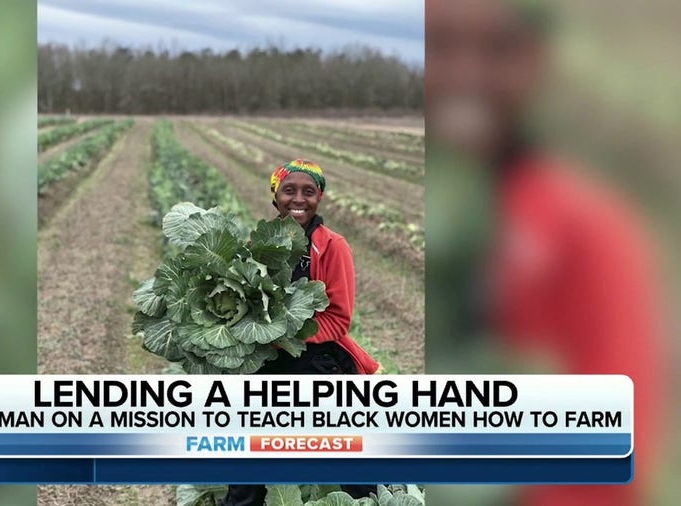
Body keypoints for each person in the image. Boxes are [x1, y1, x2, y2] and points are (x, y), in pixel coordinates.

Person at [426, 1, 667, 504]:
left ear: (535, 62)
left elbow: (612, 454)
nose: (465, 74)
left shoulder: (589, 231)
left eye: (497, 49)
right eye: (439, 46)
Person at [221, 159, 379, 506]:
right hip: (263, 358)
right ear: (275, 196)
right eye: (289, 190)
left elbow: (339, 320)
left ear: (319, 198)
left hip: (315, 358)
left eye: (309, 191)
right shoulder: (255, 246)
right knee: (246, 454)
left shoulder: (333, 246)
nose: (299, 199)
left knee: (343, 455)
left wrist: (279, 335)